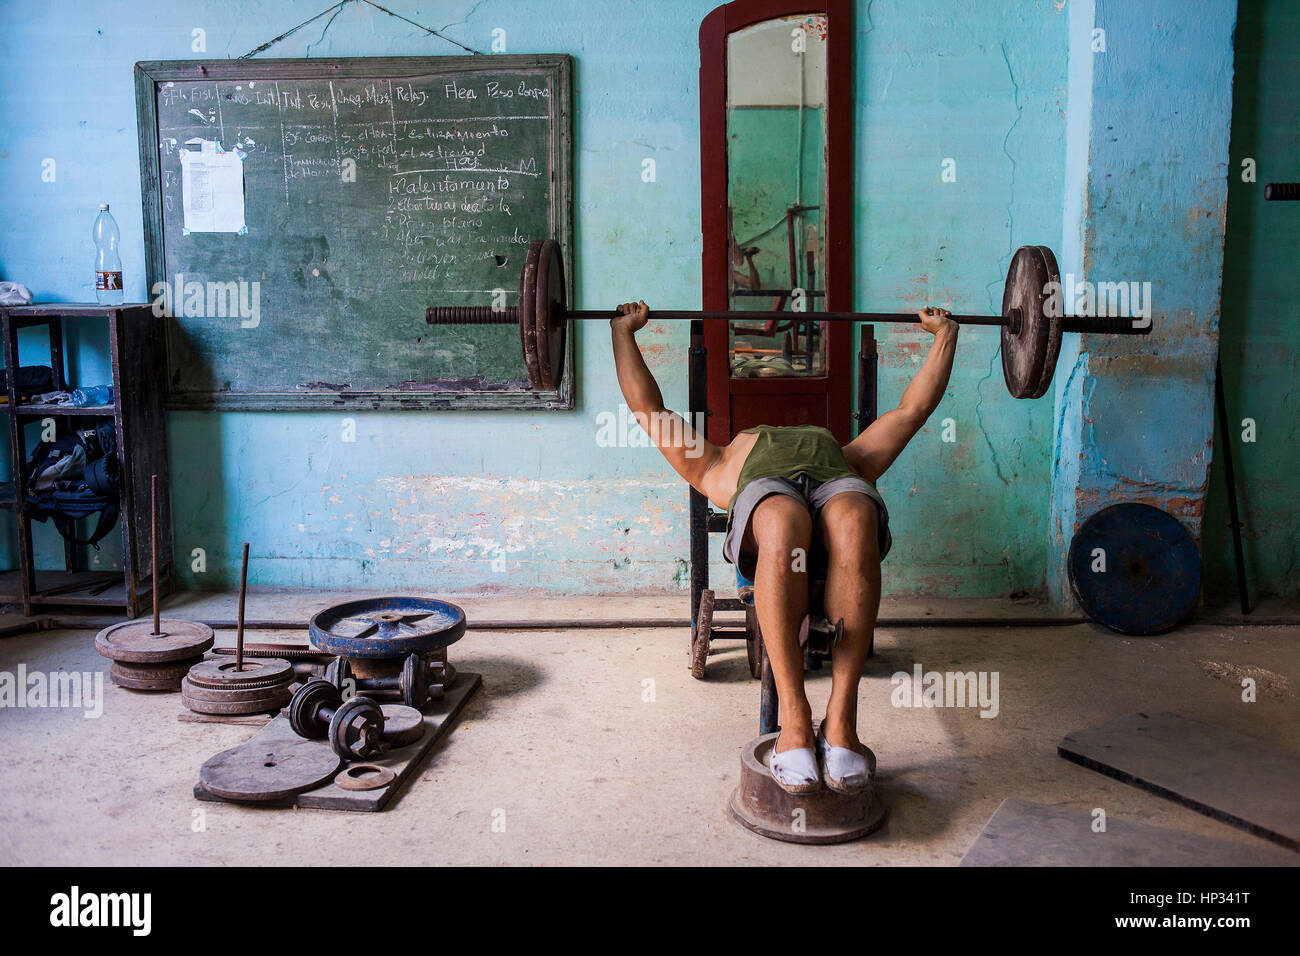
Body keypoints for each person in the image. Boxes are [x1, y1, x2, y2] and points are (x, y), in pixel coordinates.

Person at [610, 301, 958, 793]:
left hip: (836, 481)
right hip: (767, 494)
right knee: (781, 518)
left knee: (857, 517)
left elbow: (912, 410)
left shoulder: (852, 457)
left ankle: (842, 719)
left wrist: (945, 336)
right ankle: (794, 720)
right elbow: (651, 411)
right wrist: (622, 332)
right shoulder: (715, 465)